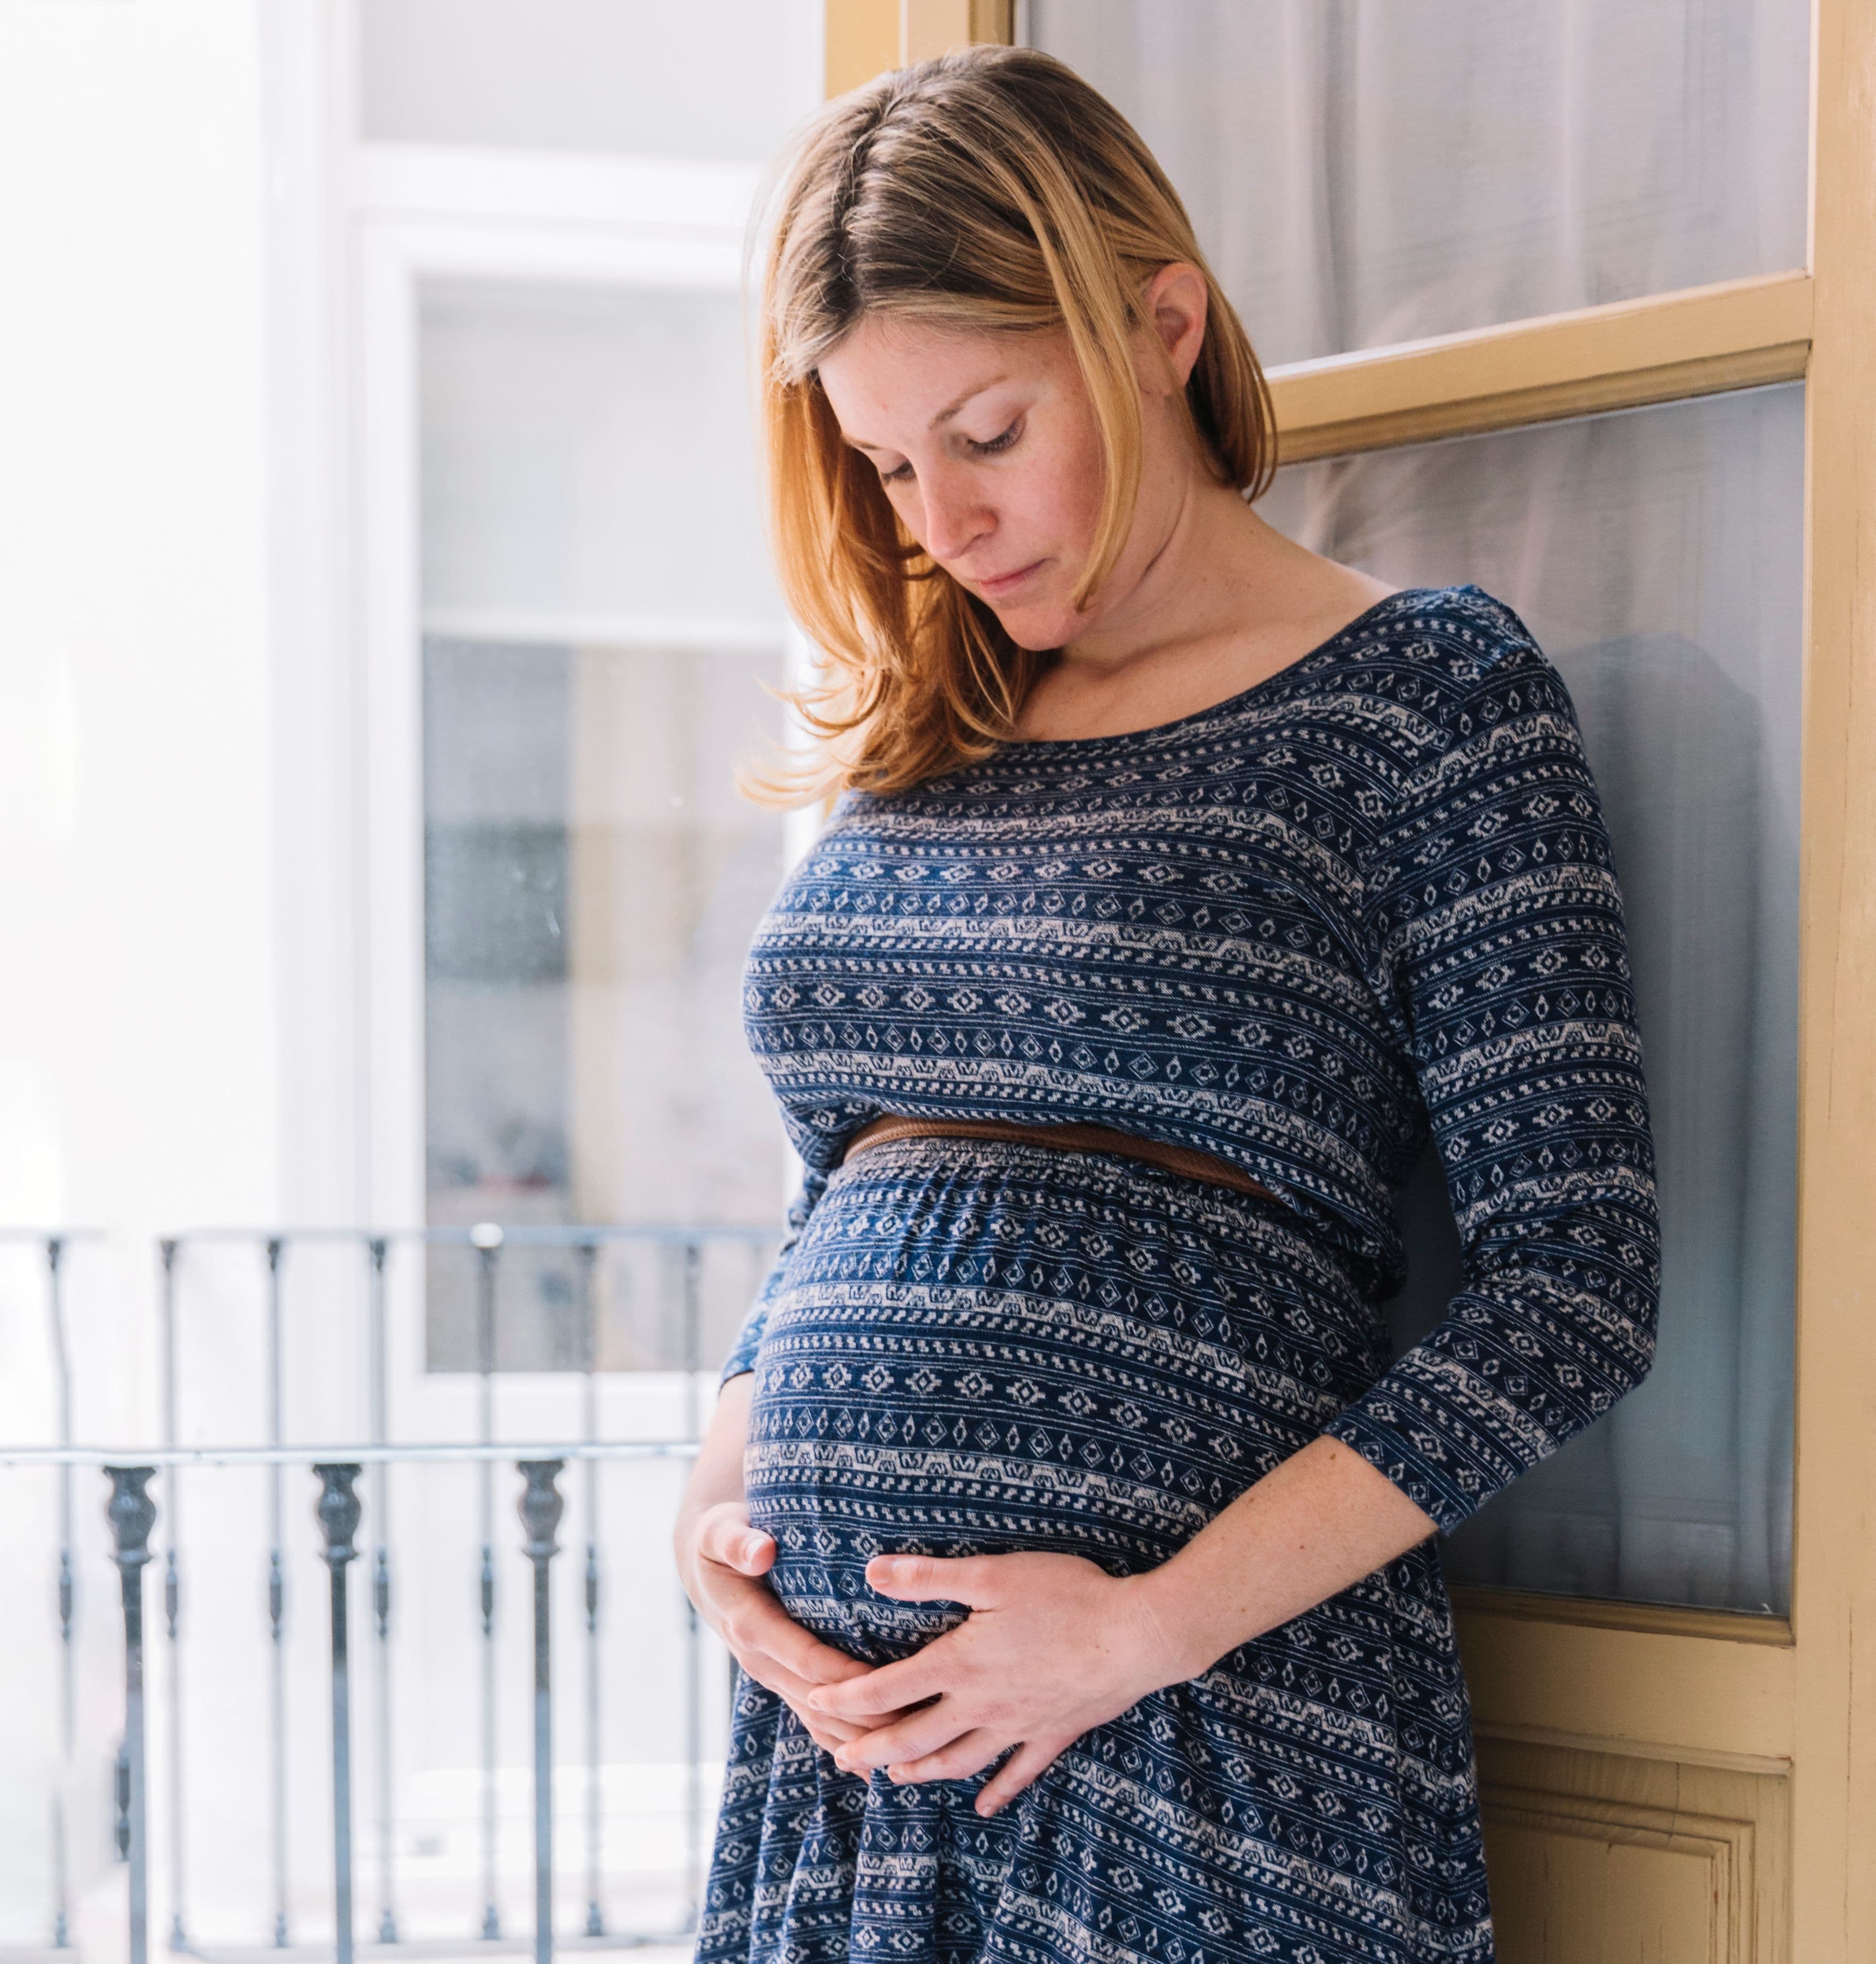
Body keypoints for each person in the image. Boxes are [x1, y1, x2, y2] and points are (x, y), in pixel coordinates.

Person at [675, 44, 1658, 1964]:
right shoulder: (927, 734)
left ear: (1165, 328)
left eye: (985, 432)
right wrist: (720, 1509)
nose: (943, 522)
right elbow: (847, 1200)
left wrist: (1138, 1630)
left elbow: (1578, 1289)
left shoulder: (1422, 706)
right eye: (887, 466)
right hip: (851, 1766)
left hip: (1202, 1731)